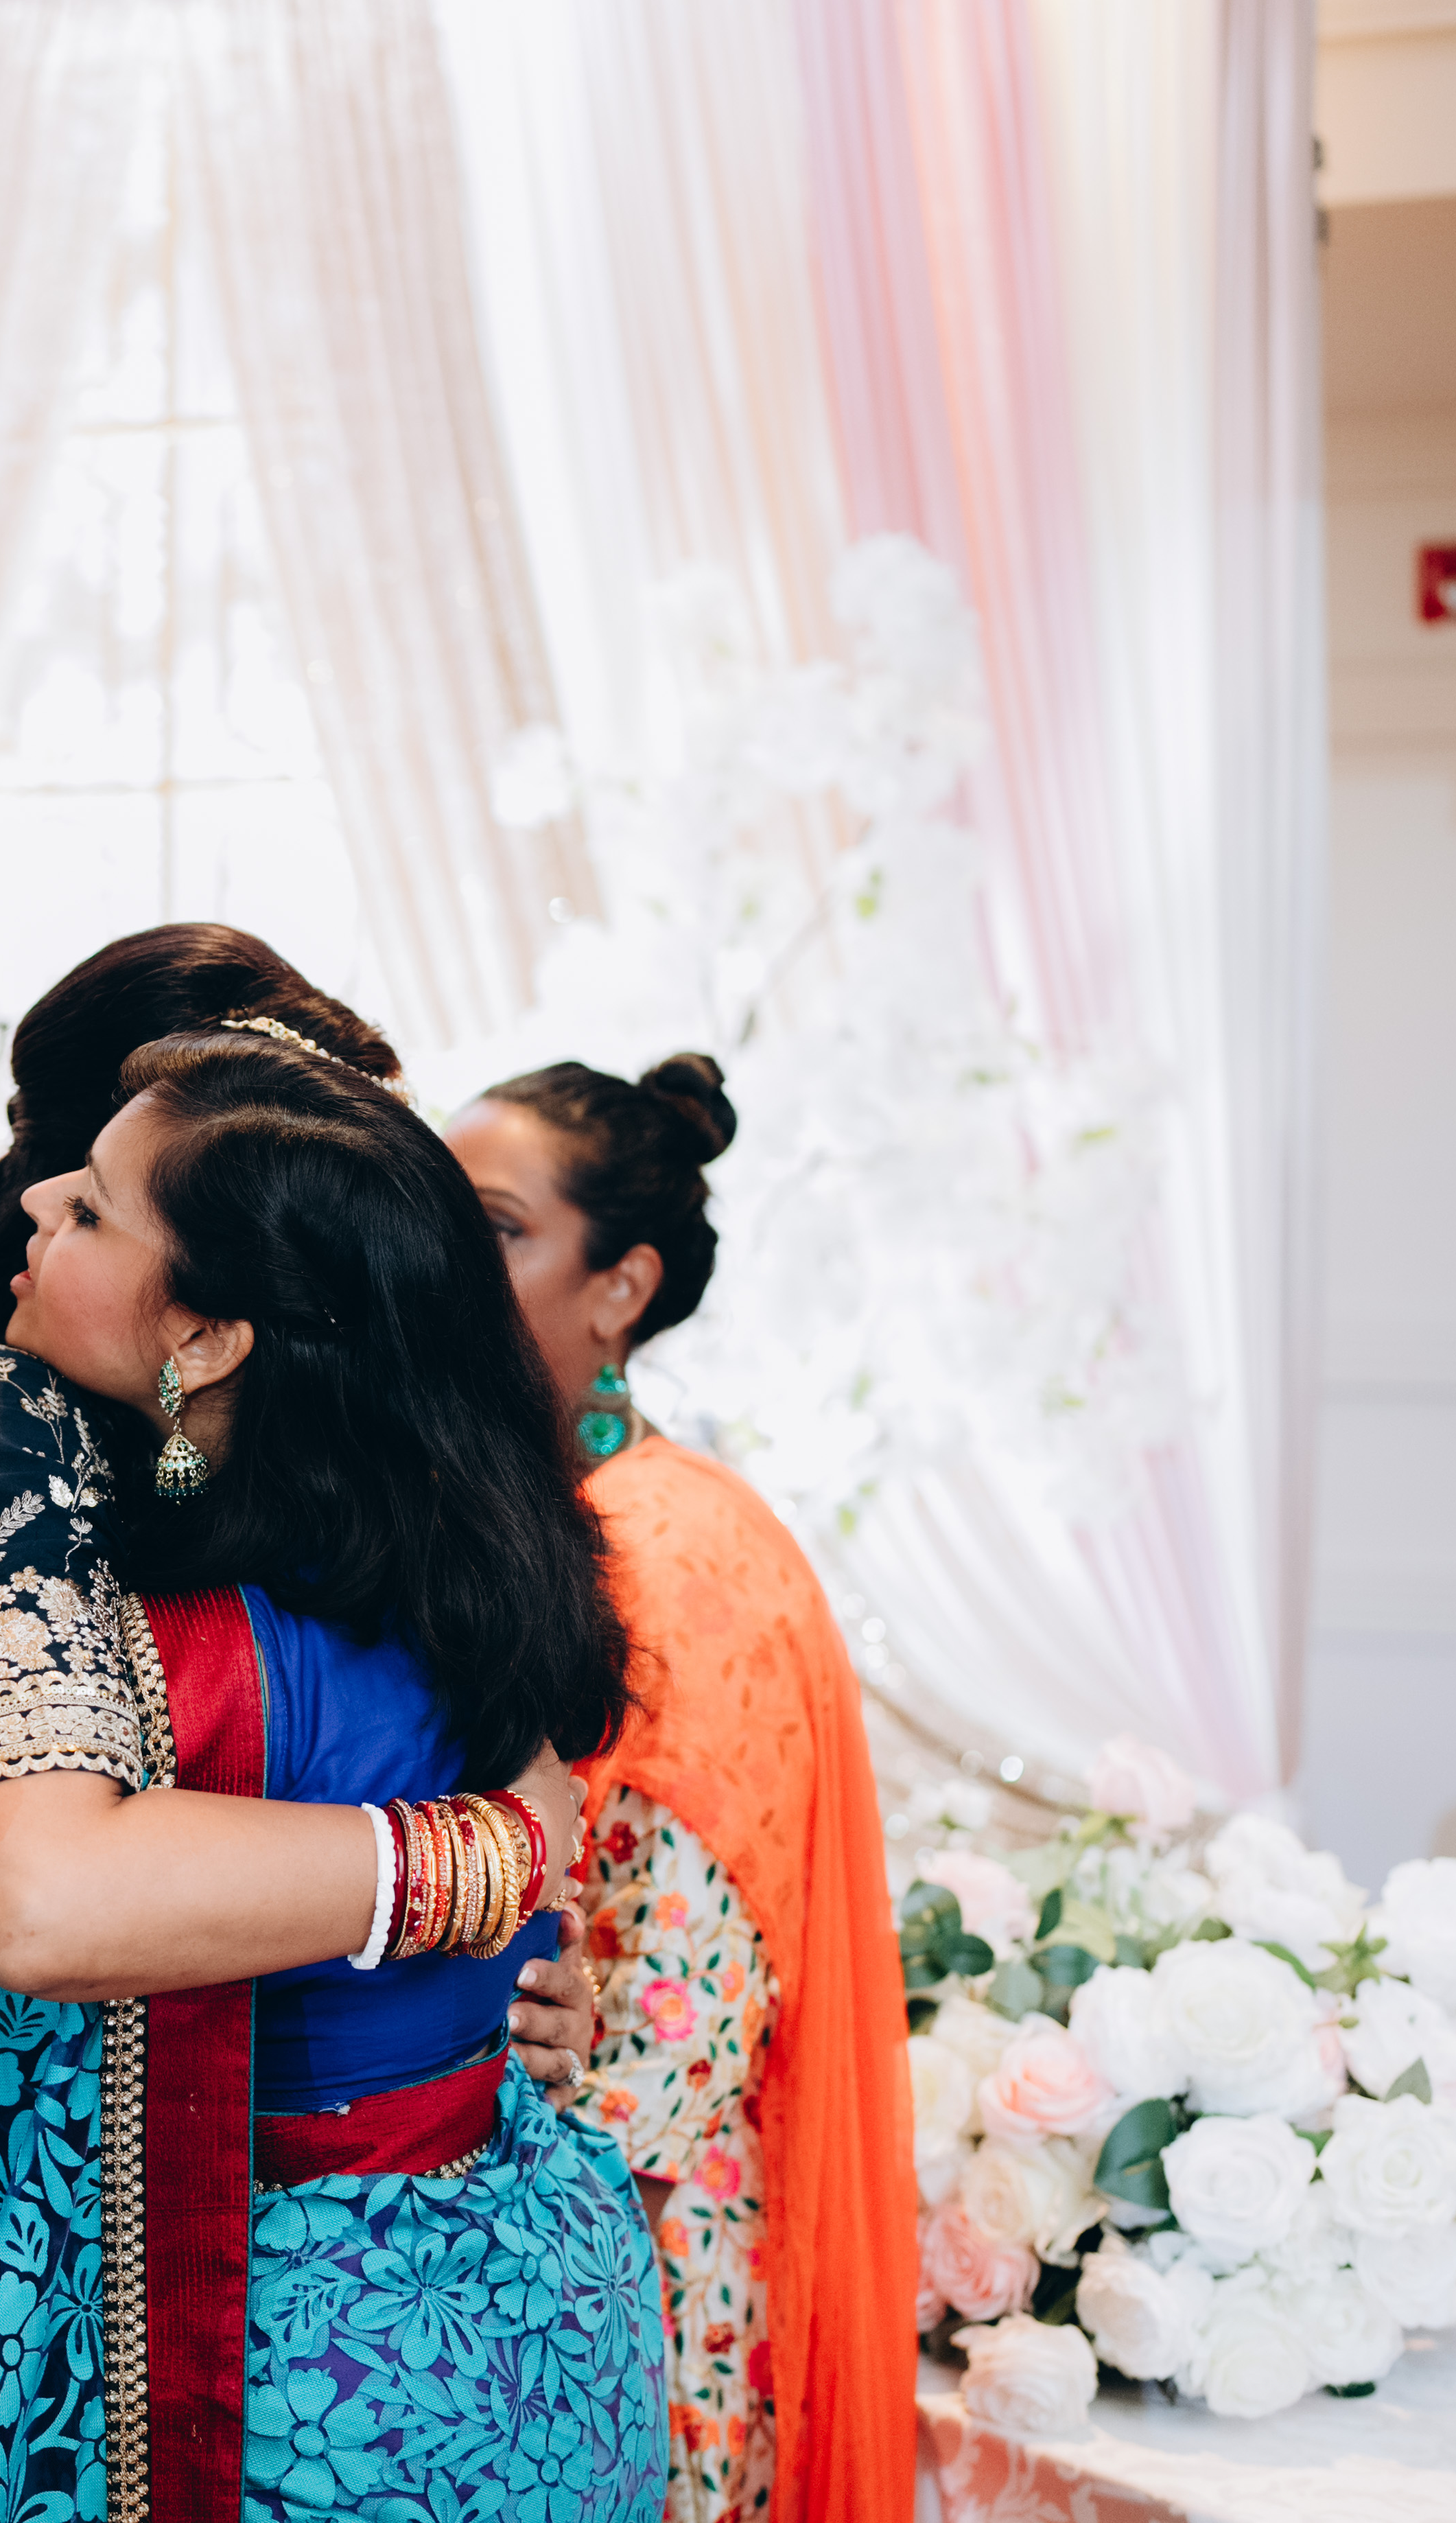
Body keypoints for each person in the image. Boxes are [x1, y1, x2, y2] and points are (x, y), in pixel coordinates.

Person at [0, 1026, 671, 2523]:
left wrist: (501, 1870)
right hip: (534, 2282)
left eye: (88, 1206)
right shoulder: (441, 1522)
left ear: (207, 1337)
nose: (32, 1198)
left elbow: (34, 1904)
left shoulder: (228, 1605)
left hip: (333, 2351)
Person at [447, 1058, 913, 2523]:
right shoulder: (530, 1514)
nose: (445, 1258)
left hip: (622, 2272)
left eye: (497, 1227)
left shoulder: (664, 1551)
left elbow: (686, 2007)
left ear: (621, 1286)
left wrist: (533, 2293)